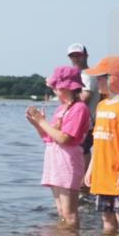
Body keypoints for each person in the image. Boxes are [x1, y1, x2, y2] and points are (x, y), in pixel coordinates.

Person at [25, 66, 91, 226]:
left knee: (69, 214)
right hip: (54, 161)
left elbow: (64, 138)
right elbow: (49, 138)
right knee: (61, 212)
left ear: (67, 87)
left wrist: (42, 121)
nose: (54, 90)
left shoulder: (79, 108)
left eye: (56, 86)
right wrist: (37, 125)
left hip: (68, 162)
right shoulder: (61, 109)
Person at [82, 55, 119, 235]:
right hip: (102, 174)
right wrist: (90, 170)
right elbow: (98, 143)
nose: (97, 81)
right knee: (106, 217)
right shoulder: (101, 106)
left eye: (100, 77)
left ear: (112, 79)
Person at [67, 43, 100, 184]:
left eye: (78, 55)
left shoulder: (88, 74)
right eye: (72, 55)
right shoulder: (78, 75)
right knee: (80, 150)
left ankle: (83, 183)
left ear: (85, 56)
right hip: (80, 121)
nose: (75, 58)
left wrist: (64, 96)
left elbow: (85, 98)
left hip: (88, 122)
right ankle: (82, 183)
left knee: (82, 149)